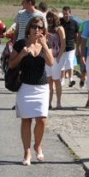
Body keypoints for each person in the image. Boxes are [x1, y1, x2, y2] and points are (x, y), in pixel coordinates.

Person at [8, 17, 54, 165]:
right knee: (26, 120)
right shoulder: (21, 43)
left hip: (41, 87)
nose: (37, 30)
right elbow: (11, 64)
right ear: (29, 28)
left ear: (44, 30)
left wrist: (45, 46)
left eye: (40, 27)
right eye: (34, 26)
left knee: (42, 119)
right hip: (25, 86)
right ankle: (27, 151)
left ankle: (37, 145)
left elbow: (51, 62)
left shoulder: (45, 43)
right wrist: (21, 54)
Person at [44, 10, 66, 109]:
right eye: (48, 17)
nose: (49, 19)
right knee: (49, 80)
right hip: (48, 57)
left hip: (57, 57)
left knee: (56, 80)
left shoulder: (60, 29)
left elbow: (63, 44)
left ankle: (59, 102)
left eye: (51, 17)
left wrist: (58, 57)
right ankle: (48, 102)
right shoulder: (45, 29)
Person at [75, 5, 89, 91]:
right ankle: (83, 77)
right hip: (85, 47)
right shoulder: (84, 24)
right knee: (83, 66)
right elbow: (79, 37)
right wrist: (77, 47)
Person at [60, 6, 80, 88]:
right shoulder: (60, 22)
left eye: (67, 14)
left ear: (70, 13)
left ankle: (71, 79)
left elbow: (77, 35)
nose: (65, 15)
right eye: (64, 14)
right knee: (62, 63)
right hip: (61, 46)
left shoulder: (74, 23)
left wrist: (78, 45)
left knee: (70, 62)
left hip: (71, 46)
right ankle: (62, 79)